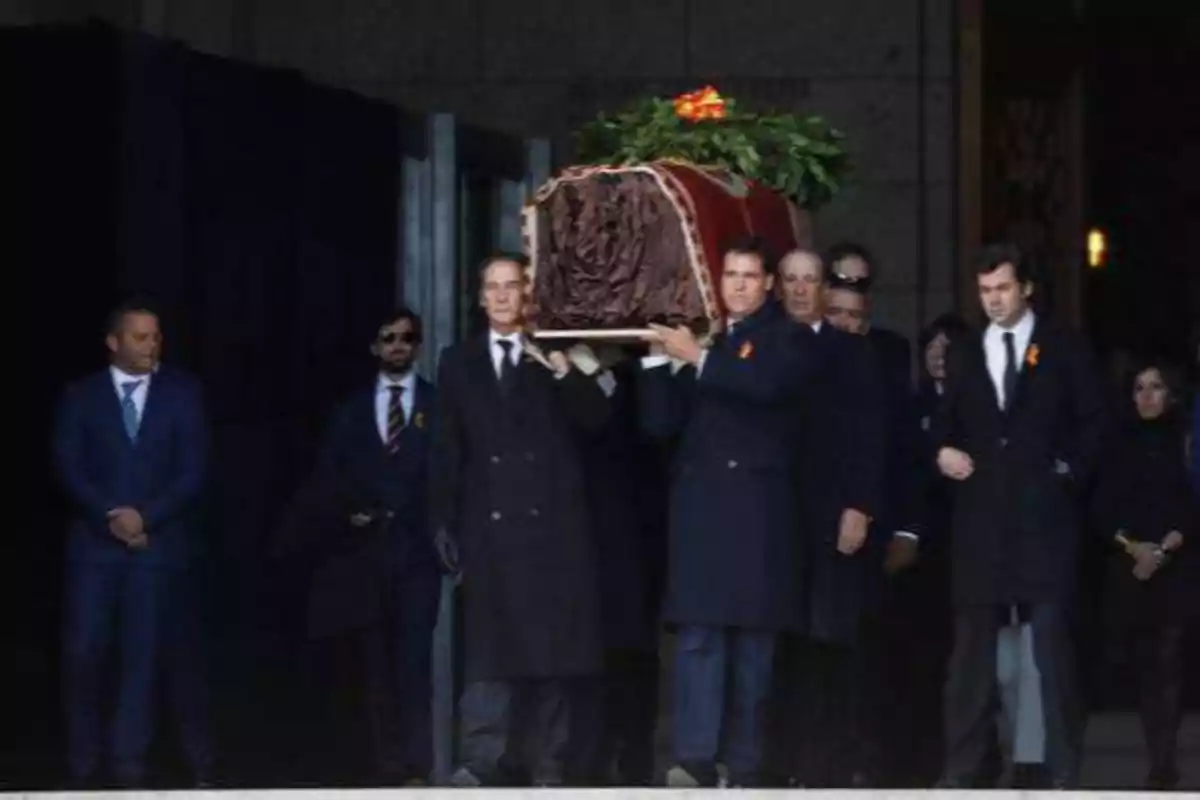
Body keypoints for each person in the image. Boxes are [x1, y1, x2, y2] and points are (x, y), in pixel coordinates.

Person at [638, 236, 816, 788]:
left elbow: (764, 386)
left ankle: (743, 763)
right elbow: (658, 425)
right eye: (729, 274)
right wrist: (655, 359)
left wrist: (699, 357)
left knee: (752, 647)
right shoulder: (706, 339)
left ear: (767, 284)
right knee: (698, 640)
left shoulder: (787, 337)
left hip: (757, 516)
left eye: (748, 275)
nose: (737, 284)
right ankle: (694, 757)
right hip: (701, 513)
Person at [932, 242, 1108, 789]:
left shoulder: (1064, 347)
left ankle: (1060, 768)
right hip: (982, 520)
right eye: (985, 291)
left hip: (1043, 520)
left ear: (1026, 288)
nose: (994, 301)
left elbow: (1095, 423)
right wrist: (941, 451)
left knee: (1051, 648)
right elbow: (941, 422)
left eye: (1003, 289)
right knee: (972, 653)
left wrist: (1066, 473)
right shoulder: (963, 350)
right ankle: (963, 768)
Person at [429, 253, 607, 787]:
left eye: (514, 287)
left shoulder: (555, 353)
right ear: (481, 297)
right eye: (494, 287)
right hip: (489, 528)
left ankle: (547, 764)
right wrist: (442, 520)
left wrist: (563, 371)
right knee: (489, 652)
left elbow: (598, 421)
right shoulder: (456, 361)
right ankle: (481, 763)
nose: (504, 296)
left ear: (528, 295)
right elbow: (445, 450)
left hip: (552, 530)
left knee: (550, 654)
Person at [53, 300, 209, 788]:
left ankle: (127, 764)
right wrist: (111, 517)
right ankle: (82, 761)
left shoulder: (183, 394)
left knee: (142, 658)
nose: (151, 345)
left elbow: (194, 470)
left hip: (154, 549)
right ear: (114, 342)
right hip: (94, 551)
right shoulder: (80, 396)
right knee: (84, 653)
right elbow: (66, 465)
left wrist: (147, 518)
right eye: (140, 337)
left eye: (156, 336)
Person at [765, 249, 885, 787]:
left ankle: (830, 766)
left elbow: (869, 435)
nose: (797, 289)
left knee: (831, 641)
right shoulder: (759, 342)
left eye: (807, 280)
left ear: (822, 287)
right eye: (789, 279)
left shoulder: (849, 351)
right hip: (772, 517)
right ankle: (778, 765)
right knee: (777, 646)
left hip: (834, 515)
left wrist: (859, 505)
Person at [310, 307, 441, 784]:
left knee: (414, 665)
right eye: (389, 338)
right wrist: (350, 512)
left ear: (418, 345)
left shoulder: (439, 404)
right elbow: (330, 476)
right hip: (364, 555)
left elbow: (449, 476)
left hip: (417, 553)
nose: (398, 346)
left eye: (407, 338)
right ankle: (387, 768)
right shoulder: (348, 412)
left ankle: (418, 769)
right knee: (375, 666)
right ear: (374, 346)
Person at [1094, 360, 1193, 790]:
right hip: (1131, 566)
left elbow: (1191, 501)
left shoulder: (1185, 440)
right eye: (1139, 387)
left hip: (1178, 564)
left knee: (1169, 663)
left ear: (1171, 393)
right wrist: (1134, 547)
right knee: (1144, 665)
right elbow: (1101, 506)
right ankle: (1157, 753)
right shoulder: (1118, 442)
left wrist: (1167, 547)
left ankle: (1163, 760)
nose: (1147, 396)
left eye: (1156, 387)